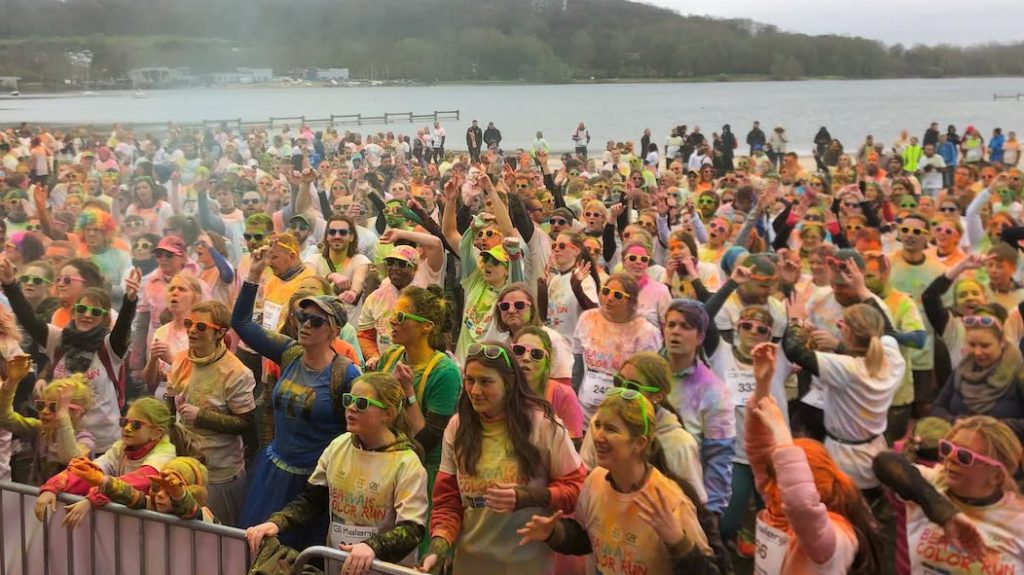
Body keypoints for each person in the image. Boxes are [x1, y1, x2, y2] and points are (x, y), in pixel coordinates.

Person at [418, 342, 585, 575]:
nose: (475, 390)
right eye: (469, 380)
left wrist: (529, 497)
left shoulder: (543, 425)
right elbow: (447, 501)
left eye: (486, 382)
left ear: (509, 383)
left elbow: (576, 488)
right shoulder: (457, 427)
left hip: (528, 566)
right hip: (470, 564)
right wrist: (440, 545)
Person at [232, 258, 361, 549]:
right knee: (256, 552)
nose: (305, 325)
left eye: (316, 321)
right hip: (272, 473)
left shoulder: (348, 375)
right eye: (302, 318)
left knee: (300, 559)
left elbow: (357, 433)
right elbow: (240, 322)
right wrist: (254, 274)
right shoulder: (289, 352)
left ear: (334, 331)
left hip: (313, 485)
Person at [516, 389, 714, 573]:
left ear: (639, 443)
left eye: (611, 429)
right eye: (597, 424)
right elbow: (589, 540)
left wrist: (677, 541)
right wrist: (555, 532)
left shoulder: (671, 501)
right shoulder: (595, 481)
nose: (598, 436)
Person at [246, 374, 428, 574]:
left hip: (384, 568)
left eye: (361, 403)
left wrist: (372, 546)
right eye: (348, 400)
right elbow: (313, 499)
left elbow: (412, 530)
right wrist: (277, 522)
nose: (350, 408)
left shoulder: (407, 463)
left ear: (388, 414)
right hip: (339, 563)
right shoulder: (338, 446)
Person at [746, 342, 882, 574]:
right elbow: (758, 450)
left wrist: (781, 431)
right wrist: (762, 386)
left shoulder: (834, 536)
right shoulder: (777, 505)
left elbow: (801, 506)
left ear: (814, 487)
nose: (772, 487)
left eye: (782, 481)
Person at [1, 256, 140, 454]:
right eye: (82, 309)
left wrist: (130, 301)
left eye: (95, 312)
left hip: (102, 446)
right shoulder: (59, 339)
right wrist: (10, 284)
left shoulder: (109, 347)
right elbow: (29, 320)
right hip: (60, 437)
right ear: (74, 312)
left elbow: (123, 326)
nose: (87, 315)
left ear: (104, 318)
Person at [782, 299, 905, 492]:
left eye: (841, 325)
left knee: (843, 514)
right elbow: (888, 331)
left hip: (845, 459)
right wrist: (861, 289)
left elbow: (794, 349)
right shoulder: (892, 358)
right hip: (875, 450)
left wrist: (796, 322)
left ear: (847, 332)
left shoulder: (847, 368)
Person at [874, 416, 1024, 574]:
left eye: (964, 456)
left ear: (996, 476)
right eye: (947, 448)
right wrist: (943, 512)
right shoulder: (933, 482)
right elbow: (884, 461)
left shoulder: (1017, 519)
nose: (950, 458)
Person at [164, 300, 256, 527]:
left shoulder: (237, 372)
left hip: (220, 473)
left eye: (201, 327)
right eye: (189, 323)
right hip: (184, 466)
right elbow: (169, 402)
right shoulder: (180, 359)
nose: (192, 330)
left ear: (220, 333)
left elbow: (246, 424)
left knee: (220, 533)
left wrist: (202, 416)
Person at [34, 397, 182, 529]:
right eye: (124, 422)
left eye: (136, 425)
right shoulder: (121, 446)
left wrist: (93, 498)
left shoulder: (165, 454)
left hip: (151, 529)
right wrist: (52, 487)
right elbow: (90, 470)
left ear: (156, 432)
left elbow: (136, 482)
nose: (127, 428)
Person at [573, 273, 663, 425]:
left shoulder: (646, 333)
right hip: (584, 413)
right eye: (606, 291)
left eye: (618, 295)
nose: (609, 298)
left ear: (631, 301)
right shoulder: (588, 318)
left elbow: (649, 381)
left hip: (622, 418)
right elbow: (577, 366)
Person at [0, 358, 92, 483]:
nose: (44, 411)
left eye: (54, 407)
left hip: (73, 502)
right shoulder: (41, 430)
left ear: (76, 413)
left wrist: (62, 417)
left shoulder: (86, 440)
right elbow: (5, 419)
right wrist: (12, 382)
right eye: (41, 405)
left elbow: (71, 459)